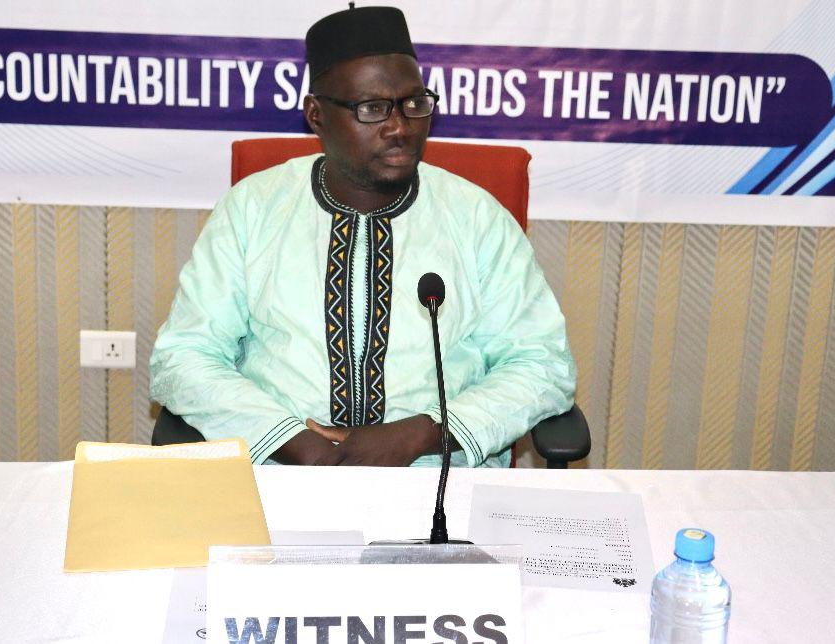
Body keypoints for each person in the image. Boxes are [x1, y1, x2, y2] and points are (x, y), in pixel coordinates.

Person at [149, 5, 575, 467]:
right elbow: (185, 356)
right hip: (280, 473)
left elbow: (542, 365)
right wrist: (291, 440)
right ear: (316, 115)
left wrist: (420, 434)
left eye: (414, 104)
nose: (400, 127)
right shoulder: (252, 209)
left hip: (435, 475)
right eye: (372, 109)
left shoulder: (476, 218)